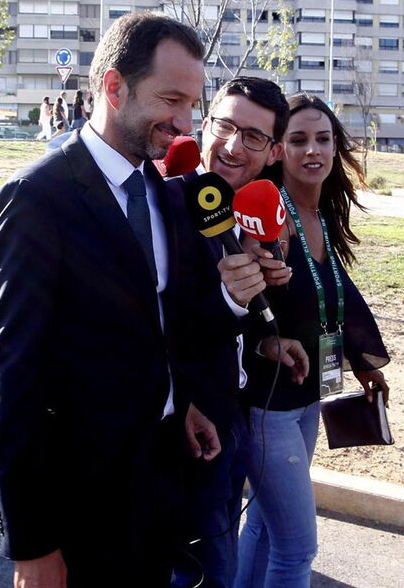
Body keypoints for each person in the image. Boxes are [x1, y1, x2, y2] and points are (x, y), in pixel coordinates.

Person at [0, 11, 223, 587]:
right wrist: (32, 544)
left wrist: (177, 401)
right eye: (171, 99)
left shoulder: (162, 191)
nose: (186, 122)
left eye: (193, 104)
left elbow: (150, 322)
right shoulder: (36, 199)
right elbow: (13, 380)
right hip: (80, 511)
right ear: (113, 87)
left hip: (158, 484)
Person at [234, 94, 390, 588]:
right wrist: (266, 342)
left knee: (263, 524)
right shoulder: (265, 215)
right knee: (298, 547)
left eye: (323, 138)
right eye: (297, 139)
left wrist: (362, 361)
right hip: (267, 402)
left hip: (308, 397)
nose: (312, 150)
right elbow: (237, 304)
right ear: (278, 149)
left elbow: (336, 293)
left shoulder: (322, 215)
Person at [174, 76, 309, 588]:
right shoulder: (164, 202)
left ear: (273, 152)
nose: (232, 146)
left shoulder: (231, 209)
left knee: (223, 566)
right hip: (182, 431)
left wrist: (262, 337)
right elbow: (151, 324)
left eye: (252, 137)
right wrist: (230, 295)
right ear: (205, 123)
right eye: (224, 126)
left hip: (229, 418)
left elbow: (218, 319)